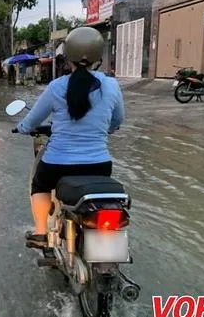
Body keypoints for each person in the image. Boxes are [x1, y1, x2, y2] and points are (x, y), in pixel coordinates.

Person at [16, 27, 124, 249]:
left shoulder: (57, 86)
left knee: (39, 184)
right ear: (98, 57)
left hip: (57, 164)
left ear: (67, 57)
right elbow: (117, 120)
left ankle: (40, 233)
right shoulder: (112, 86)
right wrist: (108, 129)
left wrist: (23, 127)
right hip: (100, 166)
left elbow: (33, 120)